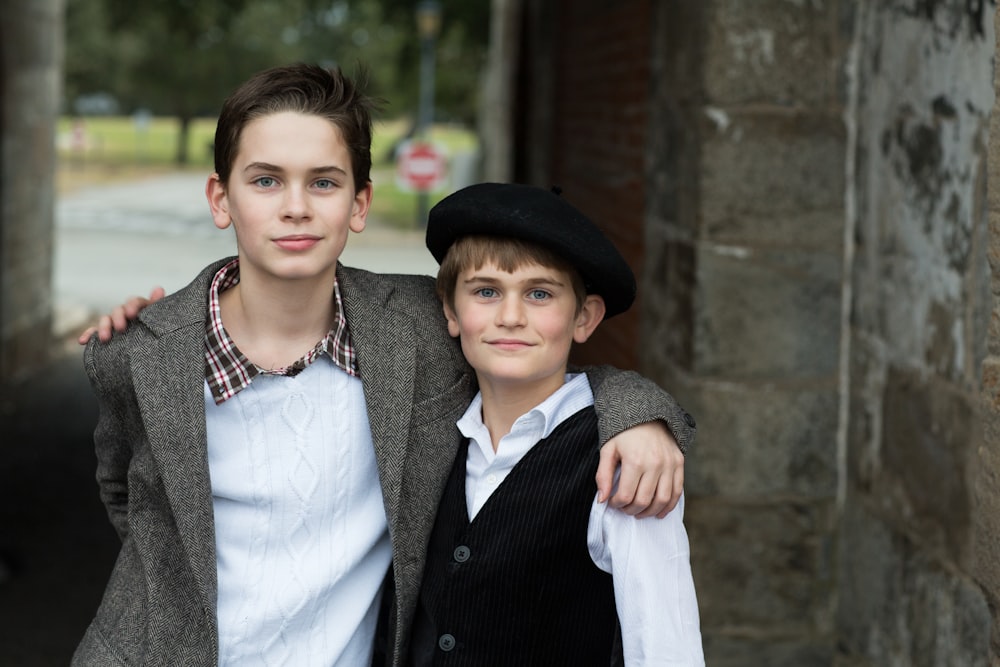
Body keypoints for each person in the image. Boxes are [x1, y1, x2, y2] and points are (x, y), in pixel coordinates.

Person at [72, 63, 696, 667]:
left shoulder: (421, 329)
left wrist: (639, 416)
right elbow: (127, 495)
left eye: (323, 182)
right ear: (221, 197)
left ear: (360, 203)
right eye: (265, 181)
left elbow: (531, 351)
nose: (295, 207)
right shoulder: (138, 353)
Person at [407, 182, 704, 666]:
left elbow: (665, 647)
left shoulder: (625, 463)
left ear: (584, 318)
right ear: (450, 311)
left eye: (539, 294)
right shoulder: (436, 435)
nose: (510, 316)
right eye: (486, 291)